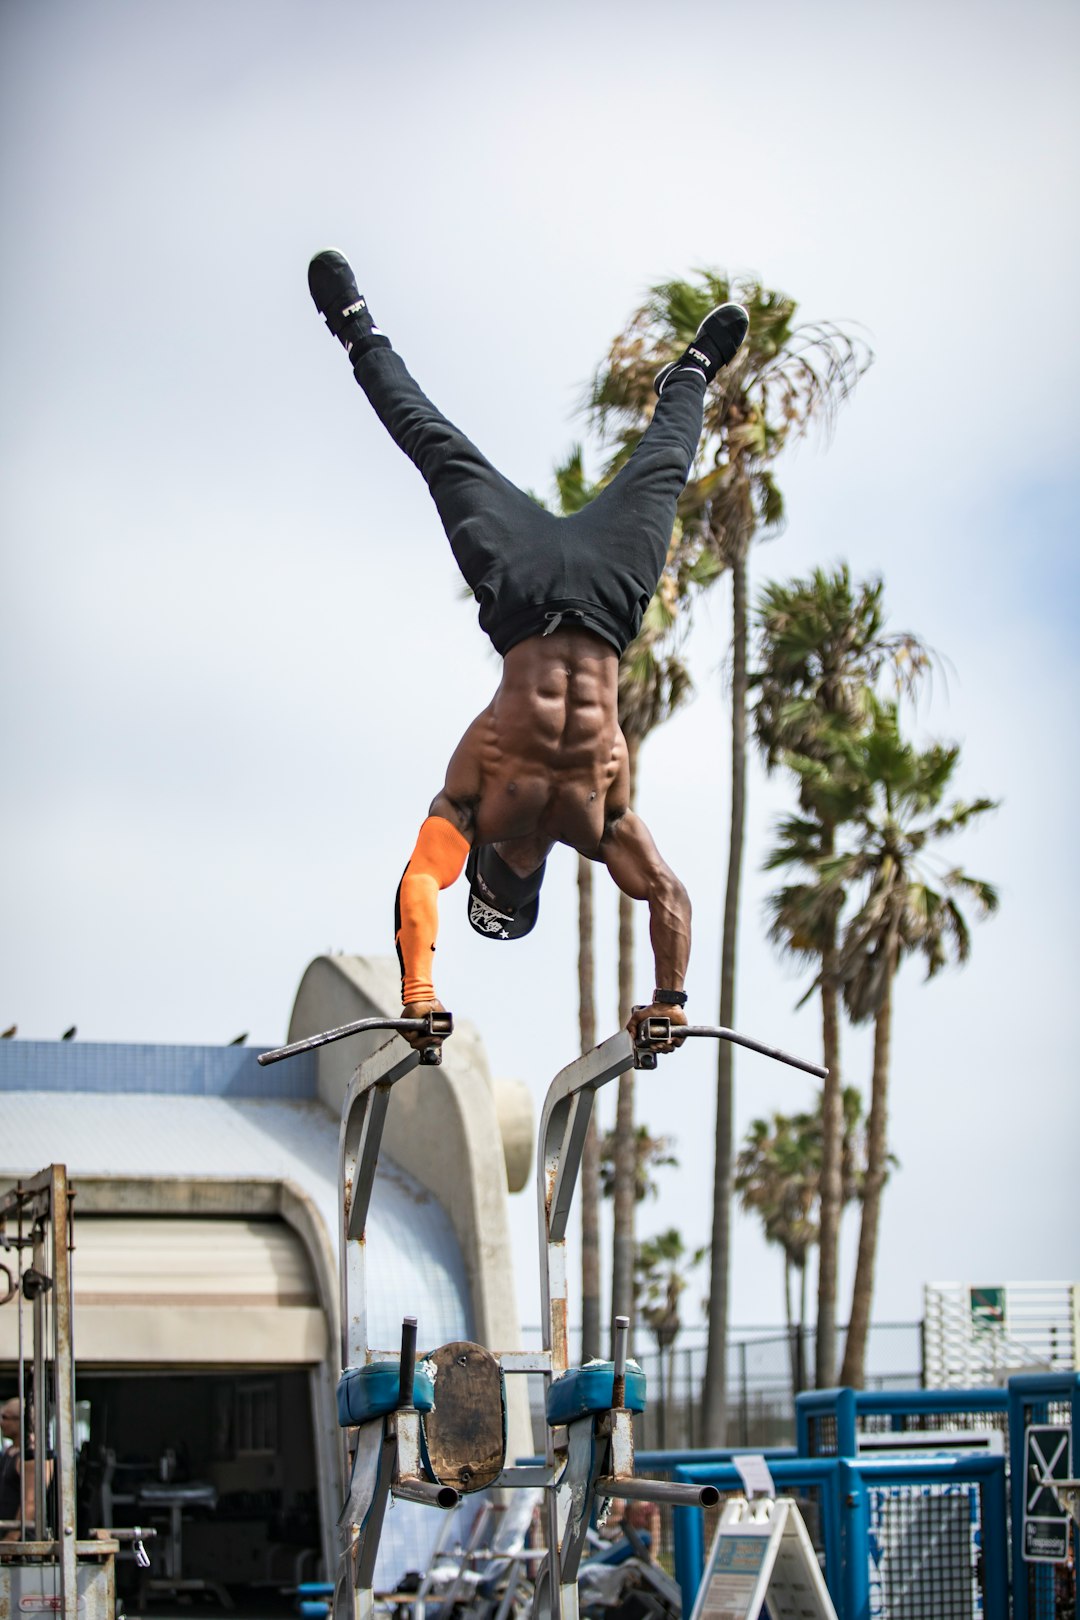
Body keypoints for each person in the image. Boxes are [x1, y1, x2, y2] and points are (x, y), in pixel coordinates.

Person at [308, 252, 749, 1052]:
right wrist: (670, 1000)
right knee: (664, 467)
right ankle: (691, 373)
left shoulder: (474, 799)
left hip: (521, 592)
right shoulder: (601, 824)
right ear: (524, 876)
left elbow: (417, 880)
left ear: (486, 869)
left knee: (438, 449)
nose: (513, 863)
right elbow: (669, 895)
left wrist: (418, 993)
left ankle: (355, 330)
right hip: (611, 603)